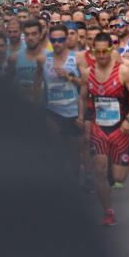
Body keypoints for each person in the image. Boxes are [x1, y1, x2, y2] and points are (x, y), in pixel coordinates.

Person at [79, 32, 129, 226]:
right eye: (96, 51)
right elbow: (82, 96)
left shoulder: (123, 71)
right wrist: (82, 117)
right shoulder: (87, 73)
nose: (101, 55)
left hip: (120, 128)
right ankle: (108, 210)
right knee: (99, 168)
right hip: (99, 128)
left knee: (118, 177)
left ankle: (126, 161)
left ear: (111, 49)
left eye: (105, 50)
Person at [42, 24, 83, 177]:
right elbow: (39, 85)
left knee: (74, 155)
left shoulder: (77, 58)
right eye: (53, 40)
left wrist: (69, 77)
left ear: (67, 39)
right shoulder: (44, 59)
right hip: (52, 112)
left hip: (73, 112)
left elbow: (85, 84)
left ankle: (75, 182)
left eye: (60, 39)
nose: (57, 43)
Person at [7, 19, 47, 101]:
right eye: (27, 34)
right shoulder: (14, 58)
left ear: (40, 35)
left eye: (34, 34)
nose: (30, 38)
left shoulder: (49, 58)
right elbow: (8, 84)